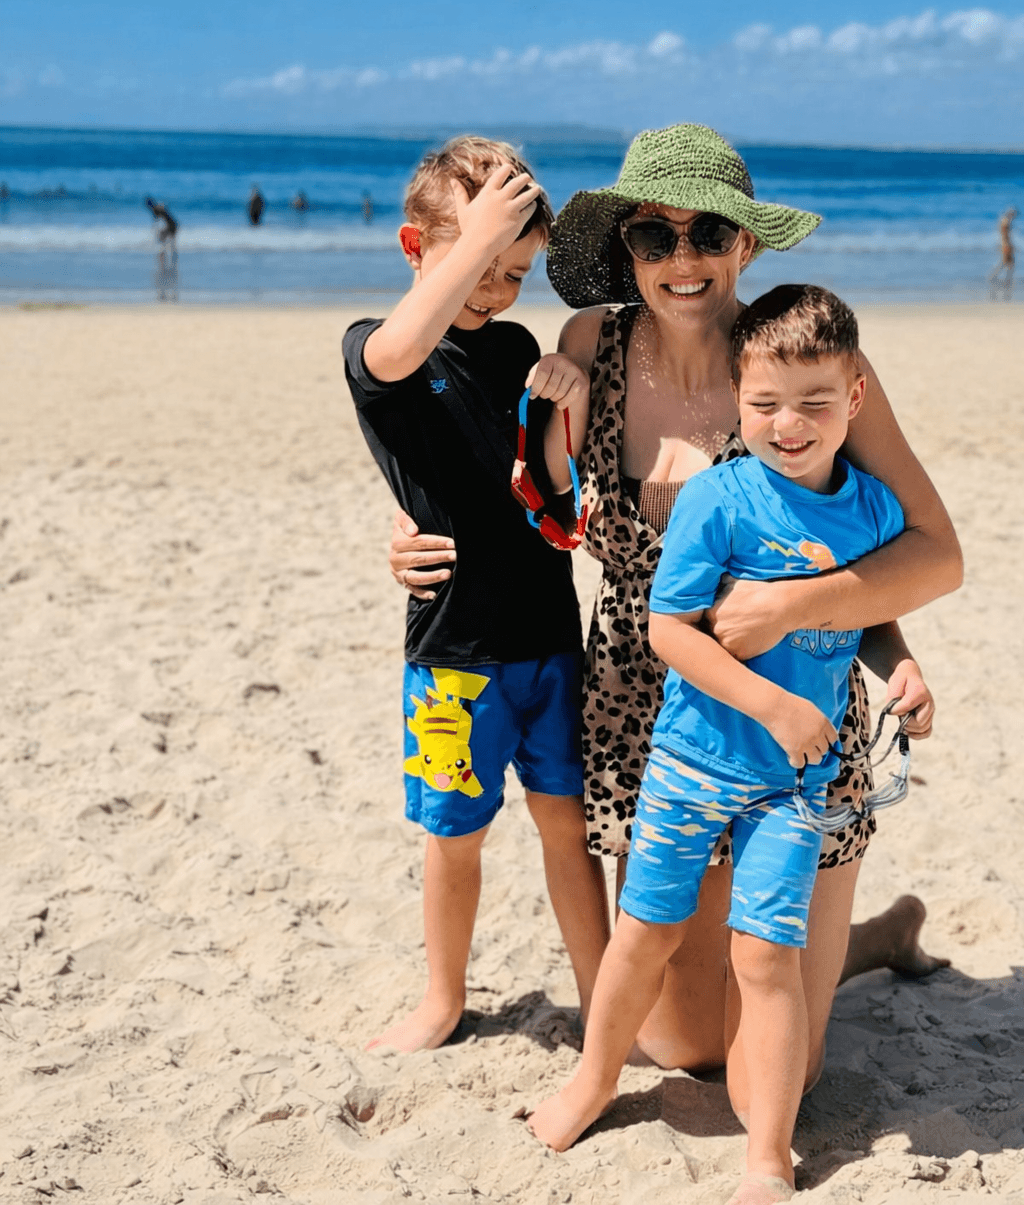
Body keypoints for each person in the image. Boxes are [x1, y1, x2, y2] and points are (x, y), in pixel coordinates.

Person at [388, 125, 960, 1084]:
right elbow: (499, 476)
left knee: (785, 1065)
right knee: (683, 1046)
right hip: (642, 713)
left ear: (747, 243)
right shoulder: (586, 347)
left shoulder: (803, 366)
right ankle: (868, 937)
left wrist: (808, 613)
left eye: (708, 235)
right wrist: (409, 532)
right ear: (627, 253)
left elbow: (930, 551)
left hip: (788, 715)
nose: (682, 260)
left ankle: (846, 943)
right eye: (655, 239)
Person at [527, 285, 936, 1204]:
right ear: (735, 402)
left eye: (815, 405)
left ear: (855, 399)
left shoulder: (870, 510)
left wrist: (901, 665)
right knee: (646, 937)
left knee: (767, 955)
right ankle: (592, 1081)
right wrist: (776, 705)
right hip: (686, 765)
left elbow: (876, 611)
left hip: (795, 788)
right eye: (764, 406)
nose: (789, 425)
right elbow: (673, 631)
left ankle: (767, 1154)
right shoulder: (717, 497)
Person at [342, 136, 610, 1054]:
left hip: (548, 638)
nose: (494, 291)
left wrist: (564, 398)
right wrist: (461, 259)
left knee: (566, 829)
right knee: (455, 837)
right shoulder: (381, 351)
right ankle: (442, 997)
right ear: (420, 250)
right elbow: (399, 349)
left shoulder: (515, 347)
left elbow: (545, 483)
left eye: (514, 272)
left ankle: (599, 996)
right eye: (477, 265)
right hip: (453, 655)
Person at [989, 207, 1016, 300]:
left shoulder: (1004, 221)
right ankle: (995, 279)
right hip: (1006, 246)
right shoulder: (1005, 222)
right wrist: (1006, 246)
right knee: (1006, 265)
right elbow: (1005, 236)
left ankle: (1005, 284)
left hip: (1006, 245)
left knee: (1008, 265)